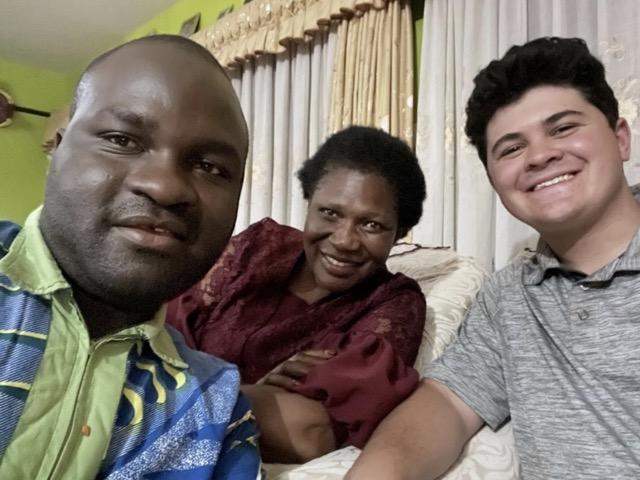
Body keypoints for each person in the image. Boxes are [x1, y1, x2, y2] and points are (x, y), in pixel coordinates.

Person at [347, 37, 640, 479]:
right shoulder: (509, 296)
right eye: (511, 148)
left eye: (563, 128)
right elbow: (444, 403)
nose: (541, 155)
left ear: (620, 138)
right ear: (494, 180)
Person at [0, 35, 261, 479]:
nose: (165, 186)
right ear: (57, 149)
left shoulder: (218, 411)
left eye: (211, 168)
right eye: (122, 140)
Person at [168, 126, 427, 462]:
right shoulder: (257, 247)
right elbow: (163, 337)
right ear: (309, 204)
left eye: (371, 225)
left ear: (400, 232)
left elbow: (309, 433)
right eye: (330, 213)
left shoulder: (393, 304)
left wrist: (175, 396)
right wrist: (251, 392)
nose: (344, 240)